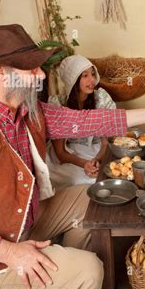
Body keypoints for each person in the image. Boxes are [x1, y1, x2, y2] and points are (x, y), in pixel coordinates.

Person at [0, 24, 145, 289]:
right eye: (30, 68)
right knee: (90, 270)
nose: (40, 74)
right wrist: (9, 252)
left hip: (22, 227)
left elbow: (83, 121)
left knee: (93, 196)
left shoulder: (27, 108)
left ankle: (58, 275)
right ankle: (71, 272)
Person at [46, 55, 116, 189]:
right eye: (85, 75)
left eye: (93, 74)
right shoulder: (57, 105)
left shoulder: (101, 99)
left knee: (106, 173)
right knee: (56, 176)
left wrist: (97, 160)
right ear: (72, 80)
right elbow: (60, 153)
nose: (92, 80)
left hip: (96, 149)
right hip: (69, 153)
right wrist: (85, 164)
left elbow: (106, 143)